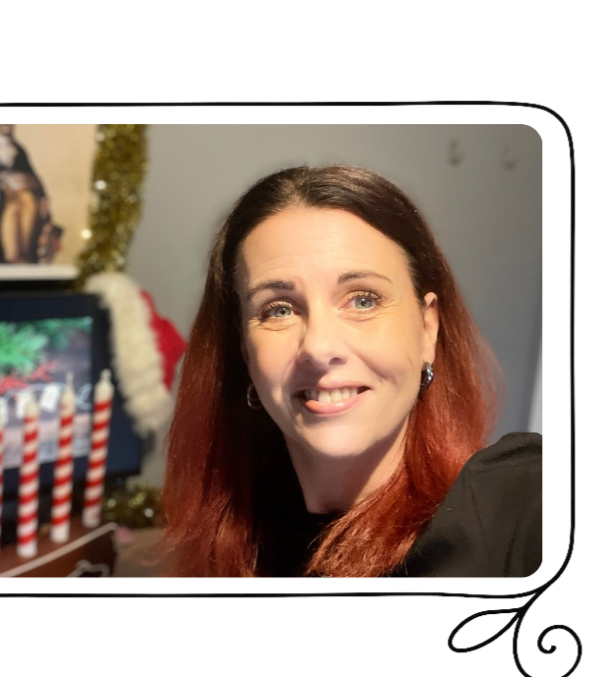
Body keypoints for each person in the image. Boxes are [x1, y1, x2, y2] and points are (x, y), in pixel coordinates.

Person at [159, 165, 542, 580]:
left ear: (427, 328)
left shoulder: (518, 504)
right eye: (279, 309)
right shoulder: (227, 553)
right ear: (244, 352)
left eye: (363, 300)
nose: (320, 347)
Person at [0, 124, 56, 263]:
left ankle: (25, 259)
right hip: (8, 197)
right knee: (9, 244)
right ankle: (10, 259)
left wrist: (44, 197)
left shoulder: (19, 149)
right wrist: (0, 184)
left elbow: (33, 174)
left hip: (27, 194)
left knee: (27, 237)